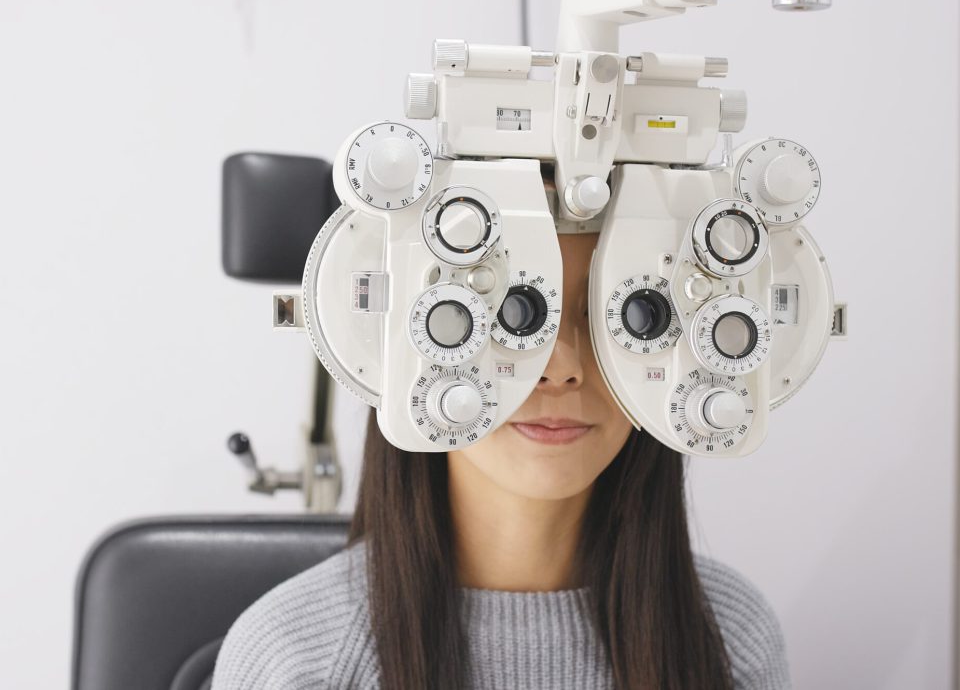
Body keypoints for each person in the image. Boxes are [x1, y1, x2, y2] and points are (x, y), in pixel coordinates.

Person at [211, 231, 791, 690]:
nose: (561, 367)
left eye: (620, 316)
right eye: (514, 314)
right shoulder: (293, 656)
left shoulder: (728, 635)